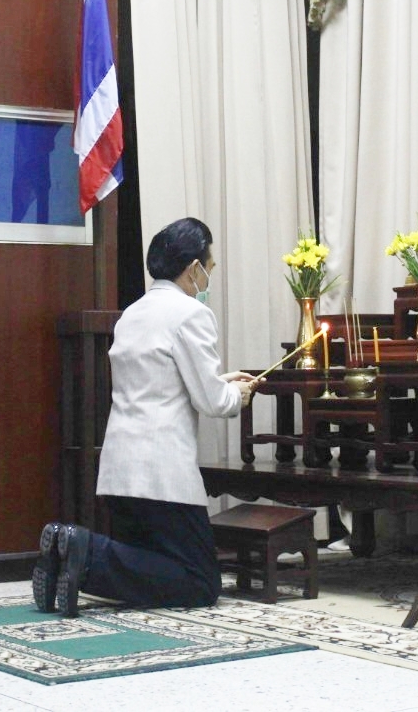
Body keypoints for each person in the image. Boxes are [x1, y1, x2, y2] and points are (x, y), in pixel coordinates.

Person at [33, 217, 258, 617]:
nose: (210, 275)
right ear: (193, 268)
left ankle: (69, 556)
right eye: (210, 265)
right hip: (162, 473)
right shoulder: (192, 314)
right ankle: (85, 552)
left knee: (151, 565)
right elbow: (213, 403)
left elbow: (160, 382)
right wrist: (236, 394)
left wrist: (218, 381)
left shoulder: (133, 313)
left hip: (121, 468)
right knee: (200, 582)